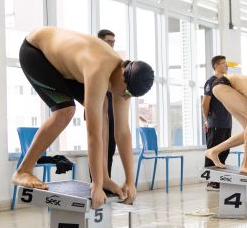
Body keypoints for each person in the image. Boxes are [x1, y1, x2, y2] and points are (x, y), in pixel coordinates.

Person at [11, 27, 154, 208]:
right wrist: (96, 185)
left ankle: (105, 176)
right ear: (123, 75)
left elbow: (123, 132)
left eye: (130, 96)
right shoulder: (98, 69)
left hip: (64, 65)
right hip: (36, 52)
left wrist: (130, 181)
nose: (125, 98)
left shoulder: (124, 80)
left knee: (103, 105)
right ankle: (23, 170)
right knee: (65, 111)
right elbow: (93, 134)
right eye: (126, 93)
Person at [202, 56, 232, 190]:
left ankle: (218, 180)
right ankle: (211, 182)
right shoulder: (211, 82)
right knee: (213, 152)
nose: (227, 66)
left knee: (224, 152)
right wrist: (208, 120)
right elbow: (205, 104)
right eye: (224, 63)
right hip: (215, 123)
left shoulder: (226, 82)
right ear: (216, 65)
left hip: (226, 122)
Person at [97, 29, 116, 177]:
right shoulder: (94, 59)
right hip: (97, 108)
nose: (111, 45)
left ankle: (107, 180)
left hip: (111, 109)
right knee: (98, 148)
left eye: (113, 42)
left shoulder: (114, 61)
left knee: (110, 149)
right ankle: (96, 182)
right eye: (108, 42)